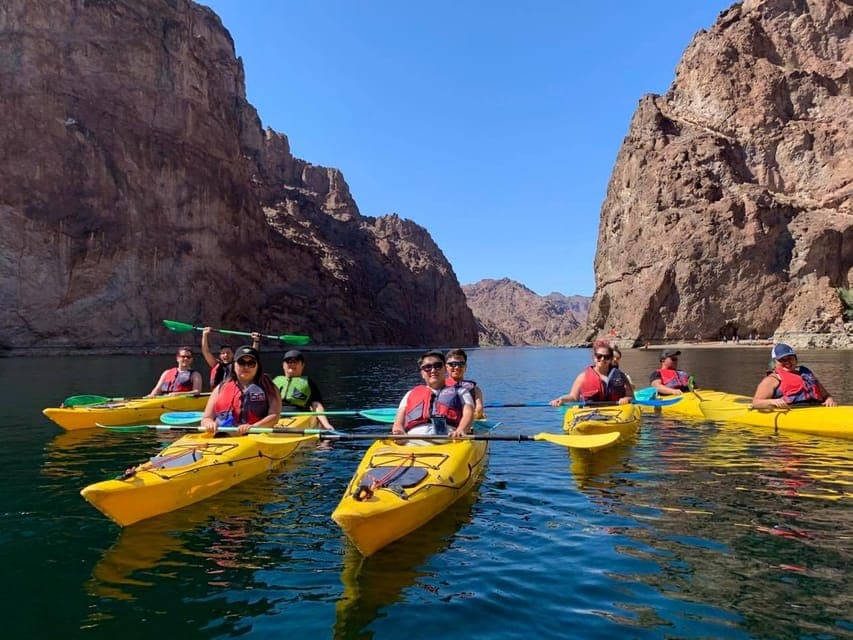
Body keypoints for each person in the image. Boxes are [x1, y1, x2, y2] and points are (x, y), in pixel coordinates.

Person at [392, 350, 475, 438]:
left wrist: (461, 429)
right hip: (413, 438)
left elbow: (468, 413)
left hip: (450, 437)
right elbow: (398, 422)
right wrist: (399, 431)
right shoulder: (410, 394)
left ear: (445, 369)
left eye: (438, 366)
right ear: (422, 373)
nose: (433, 370)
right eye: (427, 367)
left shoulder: (461, 392)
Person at [201, 346, 282, 435]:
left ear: (258, 366)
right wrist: (209, 423)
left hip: (253, 435)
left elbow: (274, 415)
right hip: (221, 435)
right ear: (234, 365)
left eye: (251, 363)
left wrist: (254, 427)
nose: (246, 367)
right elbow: (206, 418)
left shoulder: (269, 387)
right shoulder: (220, 388)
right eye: (241, 363)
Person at [549, 340, 634, 406]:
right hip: (591, 413)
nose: (602, 359)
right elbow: (574, 397)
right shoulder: (582, 377)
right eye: (599, 356)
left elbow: (631, 396)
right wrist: (562, 399)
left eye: (606, 357)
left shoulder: (621, 376)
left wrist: (627, 399)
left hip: (617, 411)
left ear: (611, 359)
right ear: (594, 357)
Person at [752, 343, 837, 409]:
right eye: (782, 360)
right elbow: (756, 403)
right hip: (792, 410)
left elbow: (826, 395)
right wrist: (772, 402)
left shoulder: (806, 376)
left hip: (816, 408)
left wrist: (829, 399)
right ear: (774, 363)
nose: (787, 362)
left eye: (790, 358)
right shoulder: (772, 379)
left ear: (796, 359)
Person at [271, 350, 335, 430]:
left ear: (302, 365)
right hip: (275, 416)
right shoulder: (274, 382)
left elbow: (316, 405)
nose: (292, 364)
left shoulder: (308, 383)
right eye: (288, 362)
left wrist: (326, 424)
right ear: (283, 365)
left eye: (296, 362)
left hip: (299, 416)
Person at [444, 348, 485, 419]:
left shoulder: (475, 390)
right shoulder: (437, 388)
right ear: (446, 367)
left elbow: (479, 409)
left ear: (465, 367)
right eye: (452, 364)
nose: (457, 367)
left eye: (461, 364)